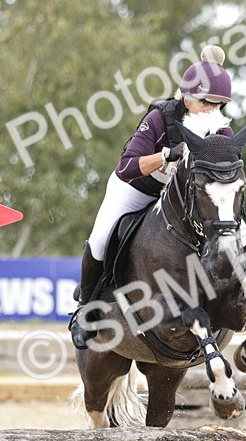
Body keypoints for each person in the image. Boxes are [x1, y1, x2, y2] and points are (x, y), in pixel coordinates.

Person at [69, 44, 236, 350]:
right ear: (186, 96)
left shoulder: (220, 131)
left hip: (179, 202)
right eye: (205, 103)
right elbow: (128, 166)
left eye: (218, 105)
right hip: (137, 189)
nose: (211, 110)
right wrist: (167, 154)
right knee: (101, 239)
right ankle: (85, 310)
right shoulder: (160, 118)